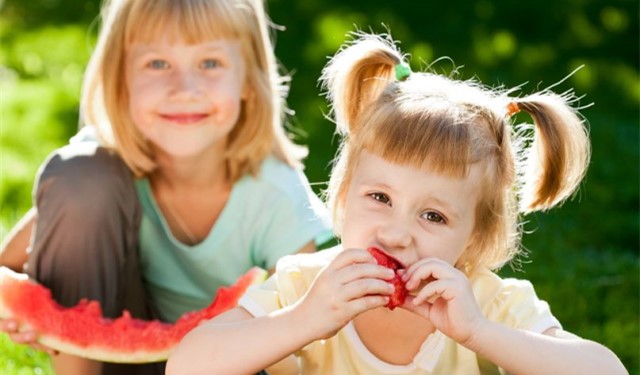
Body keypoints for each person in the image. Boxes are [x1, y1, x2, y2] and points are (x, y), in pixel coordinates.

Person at [166, 32, 628, 375]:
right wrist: (303, 321)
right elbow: (186, 366)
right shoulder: (306, 286)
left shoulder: (485, 304)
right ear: (344, 196)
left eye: (433, 215)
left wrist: (479, 333)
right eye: (380, 197)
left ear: (476, 237)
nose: (395, 233)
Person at [0, 0, 333, 374]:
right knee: (80, 175)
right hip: (110, 363)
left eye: (210, 63)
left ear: (248, 81)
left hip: (222, 363)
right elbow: (8, 266)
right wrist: (27, 306)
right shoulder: (97, 172)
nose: (184, 88)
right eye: (158, 63)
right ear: (120, 79)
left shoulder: (275, 193)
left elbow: (308, 327)